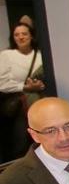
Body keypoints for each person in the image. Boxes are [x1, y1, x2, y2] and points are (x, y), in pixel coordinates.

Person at [0, 17, 45, 161]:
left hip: (41, 102)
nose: (20, 37)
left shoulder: (40, 55)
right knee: (20, 141)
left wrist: (40, 86)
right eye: (16, 34)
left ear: (31, 35)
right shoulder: (6, 55)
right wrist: (26, 87)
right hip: (18, 107)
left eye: (24, 33)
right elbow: (2, 84)